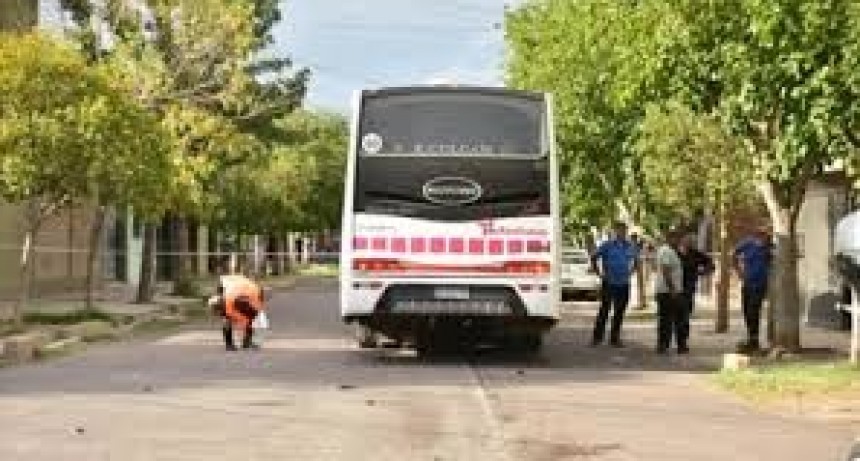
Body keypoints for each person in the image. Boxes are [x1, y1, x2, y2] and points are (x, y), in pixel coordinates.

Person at [591, 222, 639, 347]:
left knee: (619, 312)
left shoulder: (629, 246)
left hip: (623, 283)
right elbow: (594, 256)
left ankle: (614, 338)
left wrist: (631, 271)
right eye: (619, 230)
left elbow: (636, 260)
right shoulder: (607, 245)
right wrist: (598, 272)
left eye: (624, 231)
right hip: (609, 282)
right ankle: (597, 338)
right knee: (604, 310)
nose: (622, 233)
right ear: (615, 231)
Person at [733, 227, 772, 352]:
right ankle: (752, 338)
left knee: (753, 310)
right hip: (747, 282)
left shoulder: (769, 248)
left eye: (765, 236)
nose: (762, 239)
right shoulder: (747, 244)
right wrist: (739, 272)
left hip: (760, 284)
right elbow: (734, 254)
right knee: (746, 310)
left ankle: (754, 339)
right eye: (760, 236)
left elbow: (774, 260)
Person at [208, 269, 266, 351]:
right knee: (247, 318)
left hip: (232, 296)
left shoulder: (243, 283)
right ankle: (245, 343)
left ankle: (233, 344)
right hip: (233, 297)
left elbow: (221, 290)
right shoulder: (252, 287)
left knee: (232, 318)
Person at [654, 229, 687, 354]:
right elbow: (666, 270)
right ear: (669, 239)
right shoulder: (666, 251)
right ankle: (663, 345)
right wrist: (672, 289)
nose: (679, 241)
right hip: (667, 292)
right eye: (676, 238)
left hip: (671, 290)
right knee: (668, 320)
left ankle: (675, 345)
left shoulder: (672, 251)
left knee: (675, 319)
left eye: (679, 238)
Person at [677, 233, 715, 316]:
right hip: (676, 284)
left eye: (692, 242)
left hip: (690, 284)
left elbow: (711, 264)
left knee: (687, 306)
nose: (690, 244)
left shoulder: (696, 254)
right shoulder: (676, 253)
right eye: (687, 242)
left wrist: (702, 272)